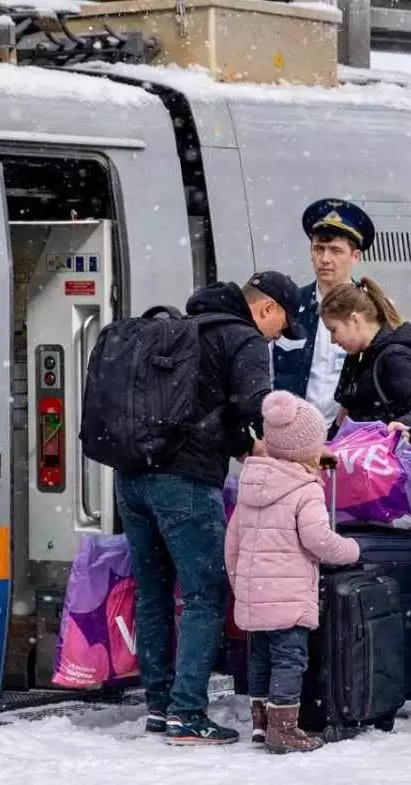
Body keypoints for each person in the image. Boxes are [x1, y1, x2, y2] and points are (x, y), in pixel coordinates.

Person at [116, 271, 306, 745]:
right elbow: (257, 404)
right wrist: (301, 445)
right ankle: (188, 713)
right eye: (280, 327)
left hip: (133, 476)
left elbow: (210, 407)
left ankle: (160, 707)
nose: (277, 338)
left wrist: (244, 447)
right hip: (184, 481)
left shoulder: (183, 328)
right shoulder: (243, 339)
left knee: (155, 593)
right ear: (265, 309)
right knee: (206, 594)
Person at [224, 390, 361, 754]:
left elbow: (232, 542)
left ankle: (260, 721)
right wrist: (352, 550)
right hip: (288, 600)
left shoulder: (251, 484)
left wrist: (240, 583)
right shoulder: (305, 490)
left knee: (261, 657)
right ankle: (283, 728)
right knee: (289, 659)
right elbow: (318, 539)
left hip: (254, 596)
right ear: (307, 450)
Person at [272, 198, 377, 425]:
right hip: (293, 436)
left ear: (355, 256)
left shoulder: (372, 310)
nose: (325, 259)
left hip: (348, 438)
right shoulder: (289, 307)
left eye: (335, 251)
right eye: (319, 249)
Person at [319, 277, 411, 449]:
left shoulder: (395, 356)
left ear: (355, 320)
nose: (332, 340)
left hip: (395, 468)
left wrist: (406, 426)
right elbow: (344, 417)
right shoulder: (358, 359)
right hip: (371, 465)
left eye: (334, 330)